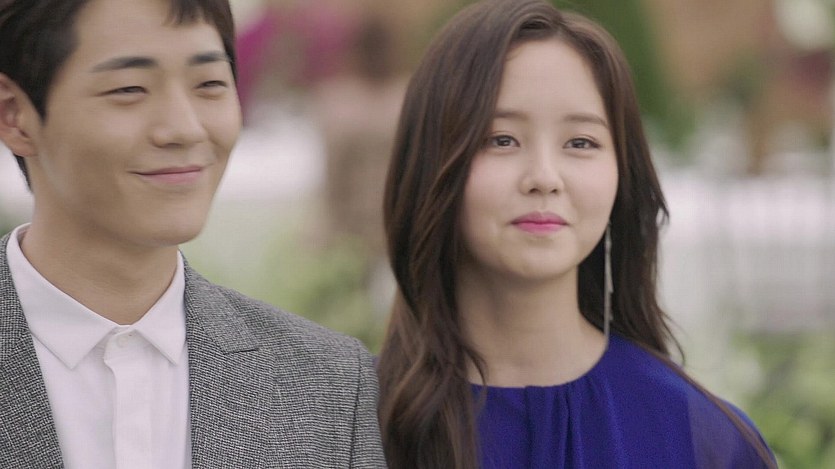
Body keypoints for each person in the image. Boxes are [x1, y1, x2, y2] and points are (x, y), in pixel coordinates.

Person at [376, 0, 776, 468]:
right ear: (430, 163)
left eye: (581, 142)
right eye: (501, 139)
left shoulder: (707, 440)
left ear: (622, 173)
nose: (544, 177)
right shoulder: (349, 427)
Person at [0, 0, 385, 467]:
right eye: (129, 88)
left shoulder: (330, 383)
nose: (185, 129)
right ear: (14, 114)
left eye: (209, 85)